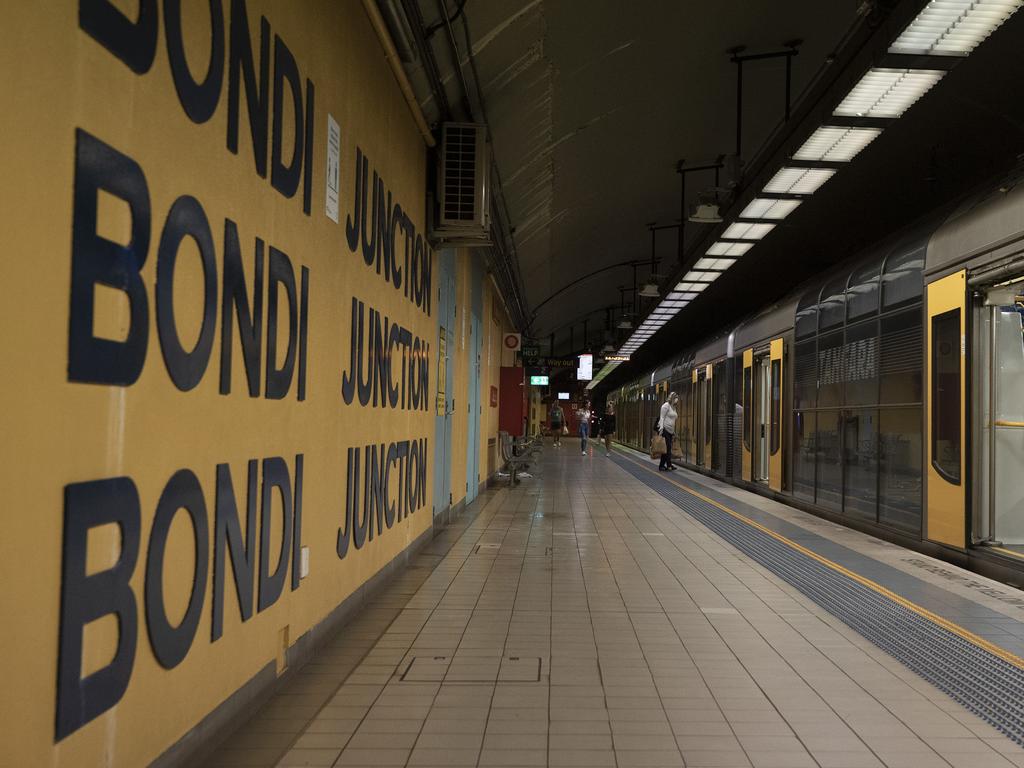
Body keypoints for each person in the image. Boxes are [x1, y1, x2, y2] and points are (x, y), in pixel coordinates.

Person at [657, 392, 678, 471]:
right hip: (665, 429)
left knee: (667, 448)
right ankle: (663, 465)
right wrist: (661, 428)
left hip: (670, 431)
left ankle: (667, 465)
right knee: (667, 448)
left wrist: (674, 431)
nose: (677, 400)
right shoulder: (666, 406)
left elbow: (673, 419)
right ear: (672, 398)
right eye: (676, 398)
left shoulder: (673, 407)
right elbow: (662, 417)